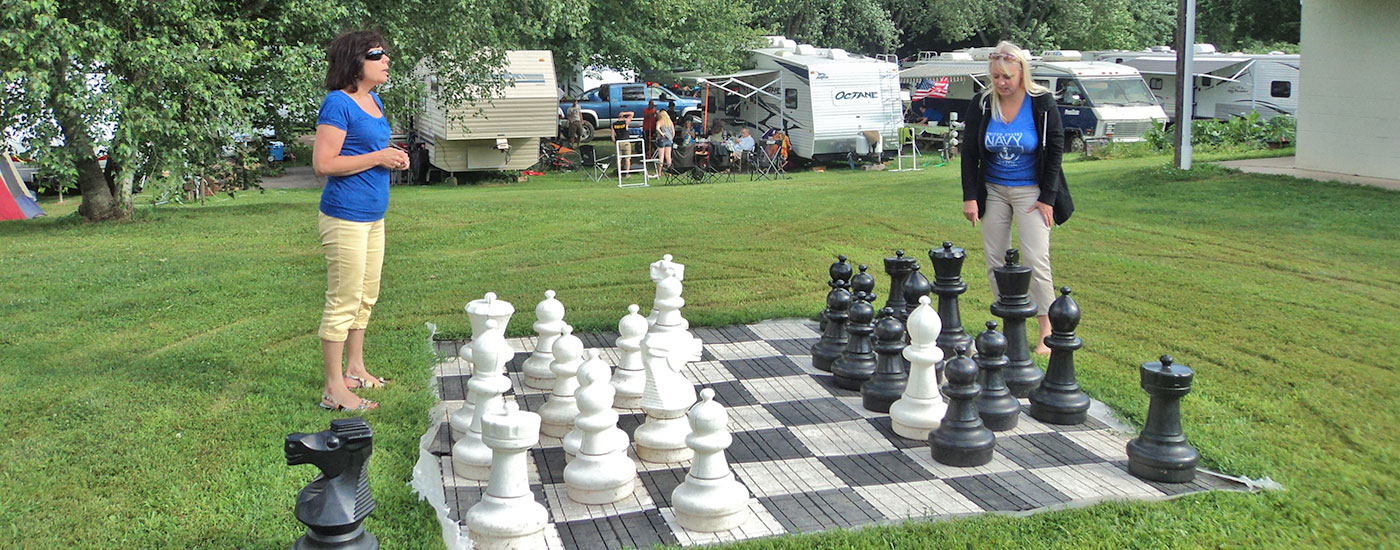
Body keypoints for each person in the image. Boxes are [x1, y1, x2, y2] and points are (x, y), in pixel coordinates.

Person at [311, 30, 409, 411]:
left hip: (373, 216)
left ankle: (355, 369)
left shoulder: (374, 100)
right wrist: (378, 157)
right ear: (355, 61)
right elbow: (324, 164)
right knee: (343, 300)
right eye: (378, 54)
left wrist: (392, 156)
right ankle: (334, 388)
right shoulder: (337, 104)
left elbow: (369, 150)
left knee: (366, 297)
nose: (386, 60)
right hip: (344, 216)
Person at [959, 40, 1074, 355]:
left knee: (1036, 259)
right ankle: (1009, 325)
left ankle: (1046, 332)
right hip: (993, 190)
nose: (1001, 83)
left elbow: (1054, 152)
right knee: (995, 259)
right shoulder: (982, 103)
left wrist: (1047, 197)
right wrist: (970, 197)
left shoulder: (1041, 103)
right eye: (996, 76)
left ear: (1022, 73)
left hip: (1031, 192)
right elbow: (969, 152)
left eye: (1007, 76)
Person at [612, 110, 636, 176]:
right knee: (627, 158)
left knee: (619, 159)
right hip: (625, 142)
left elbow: (612, 136)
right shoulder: (625, 122)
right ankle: (627, 173)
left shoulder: (614, 124)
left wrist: (615, 142)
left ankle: (619, 172)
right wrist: (624, 113)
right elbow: (632, 113)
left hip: (618, 142)